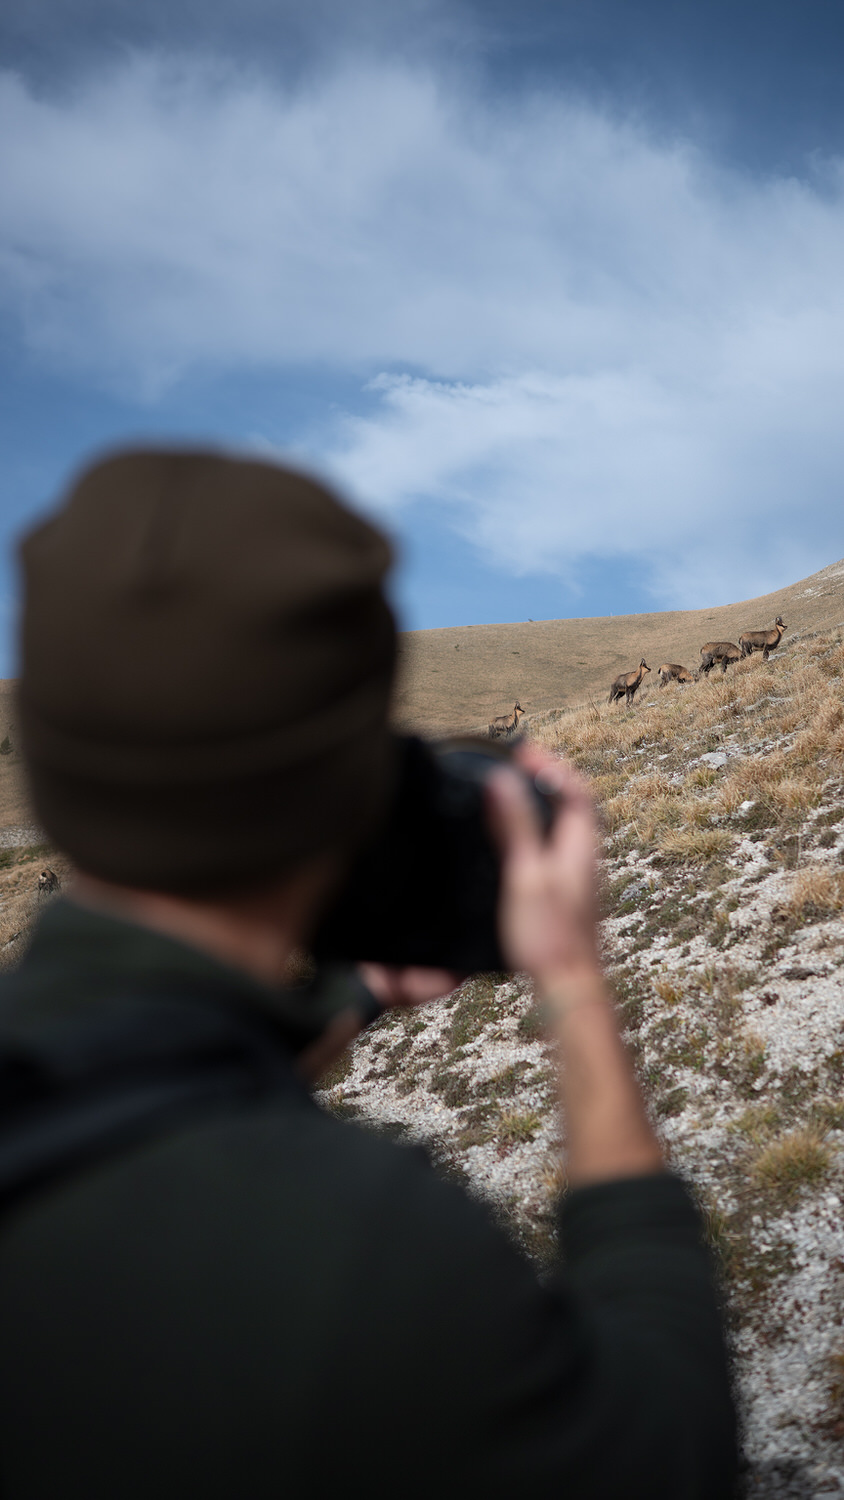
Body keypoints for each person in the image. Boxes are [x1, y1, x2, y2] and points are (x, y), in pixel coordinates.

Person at [0, 448, 737, 1498]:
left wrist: (338, 1007)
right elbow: (674, 1453)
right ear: (361, 783)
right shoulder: (358, 1256)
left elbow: (120, 1093)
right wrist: (571, 983)